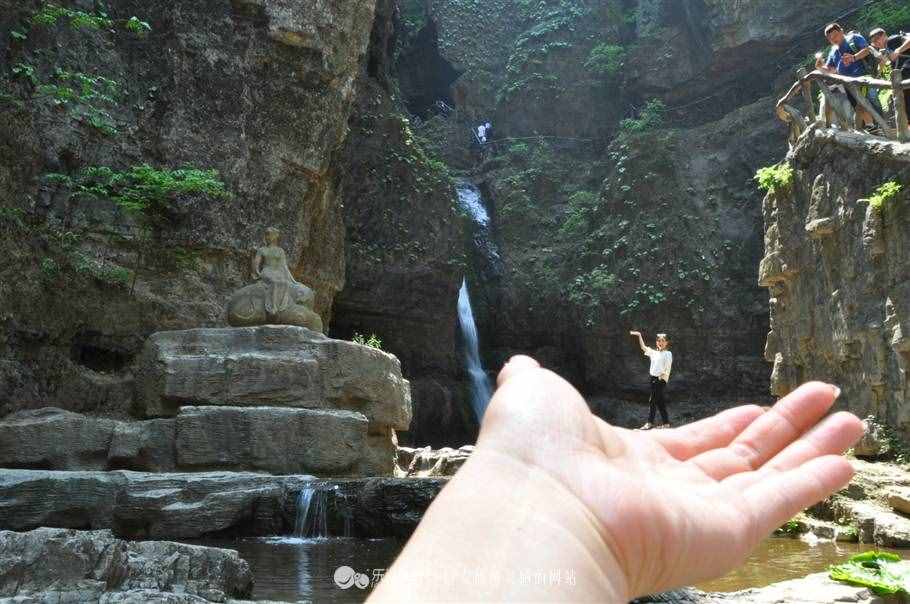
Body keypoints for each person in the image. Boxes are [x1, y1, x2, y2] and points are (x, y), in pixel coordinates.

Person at [369, 356, 865, 602]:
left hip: (658, 388)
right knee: (658, 404)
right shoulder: (655, 353)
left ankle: (658, 421)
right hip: (652, 393)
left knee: (659, 403)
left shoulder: (665, 358)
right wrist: (558, 511)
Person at [816, 23, 883, 129]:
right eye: (830, 38)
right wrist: (820, 67)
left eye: (835, 35)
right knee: (858, 105)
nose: (833, 39)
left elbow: (866, 50)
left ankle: (883, 125)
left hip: (863, 78)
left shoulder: (854, 38)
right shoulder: (833, 51)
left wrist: (854, 57)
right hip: (847, 83)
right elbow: (830, 69)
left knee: (872, 102)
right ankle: (872, 127)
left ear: (841, 31)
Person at [630, 330, 673, 429]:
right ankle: (666, 424)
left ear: (666, 342)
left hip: (660, 380)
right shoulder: (654, 353)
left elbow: (668, 368)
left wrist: (662, 378)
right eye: (659, 341)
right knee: (660, 402)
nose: (660, 342)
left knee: (652, 400)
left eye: (663, 341)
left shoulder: (668, 353)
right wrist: (639, 335)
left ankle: (649, 423)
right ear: (656, 342)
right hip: (653, 379)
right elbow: (643, 347)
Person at [870, 28, 910, 118]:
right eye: (874, 42)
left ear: (884, 36)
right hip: (901, 76)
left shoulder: (892, 40)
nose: (876, 43)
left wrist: (898, 50)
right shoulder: (885, 50)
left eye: (877, 39)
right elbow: (881, 66)